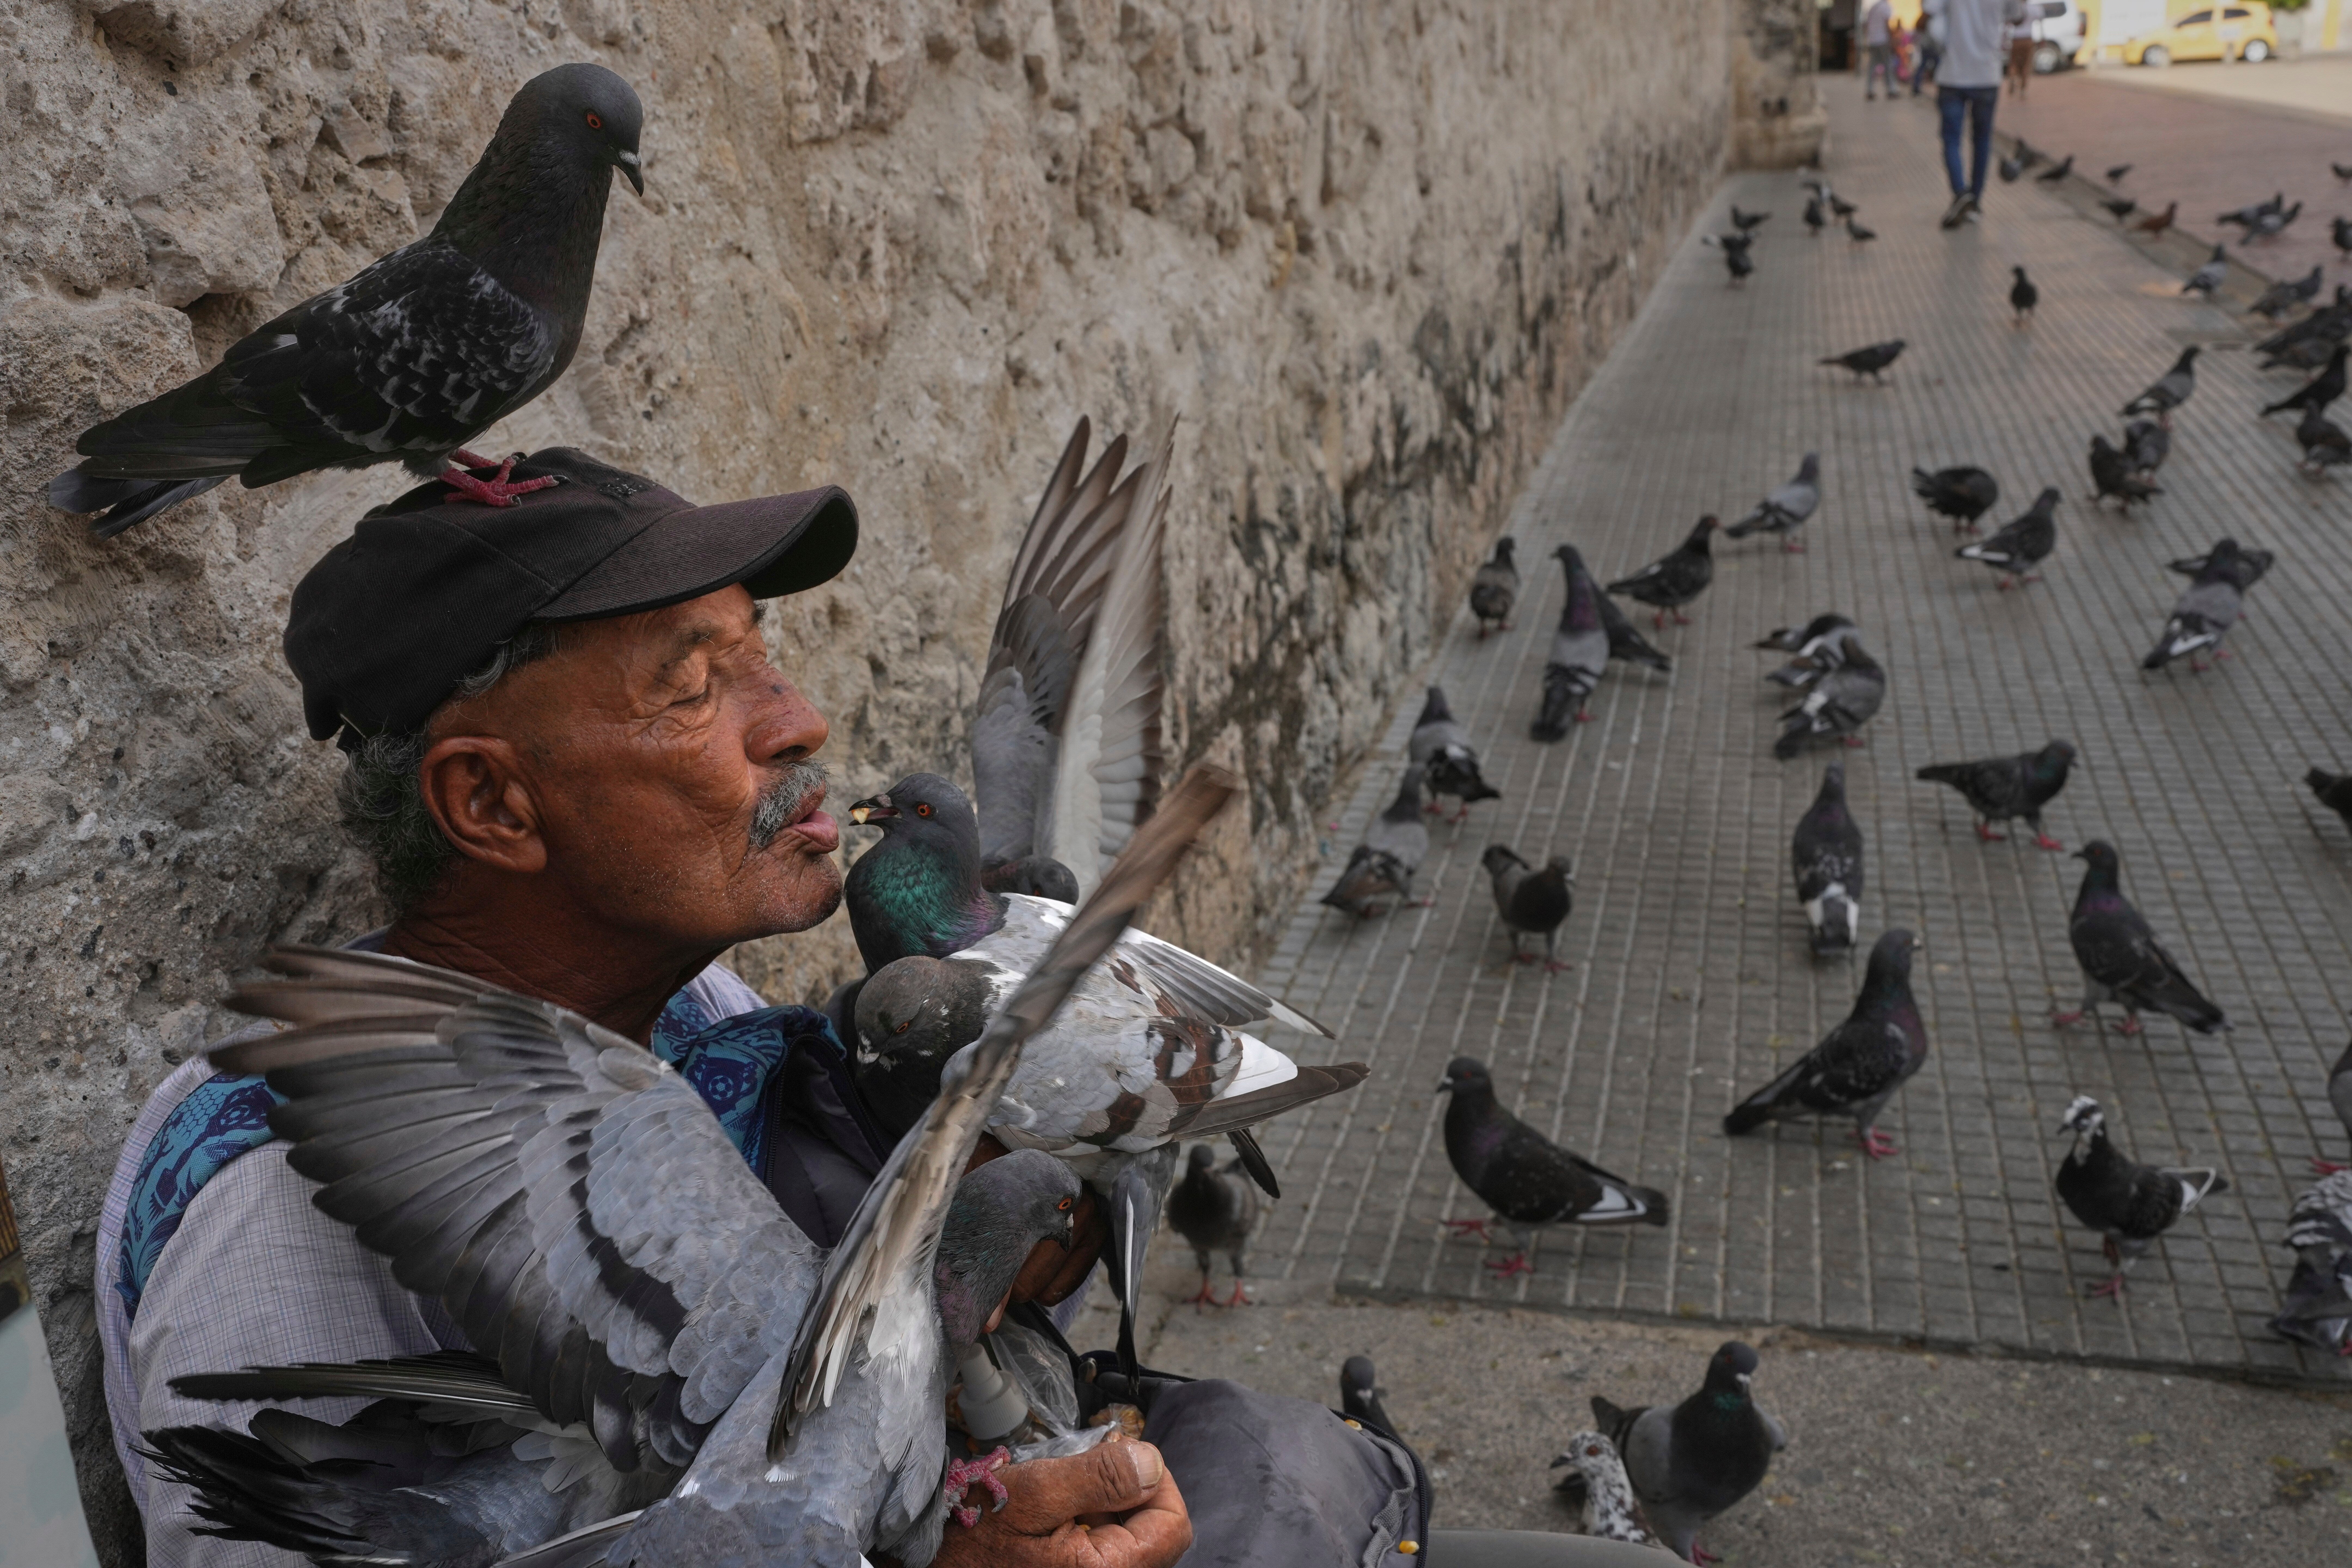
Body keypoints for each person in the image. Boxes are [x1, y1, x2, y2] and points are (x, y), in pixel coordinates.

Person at [1928, 0, 2024, 228]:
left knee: (1951, 139)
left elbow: (1928, 12)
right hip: (1986, 74)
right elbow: (2018, 15)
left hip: (1953, 73)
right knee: (1982, 140)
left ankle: (1961, 194)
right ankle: (1975, 202)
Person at [1862, 0, 1898, 99]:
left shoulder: (1873, 8)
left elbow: (1866, 25)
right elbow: (1887, 24)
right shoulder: (1886, 7)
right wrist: (1892, 38)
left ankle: (1870, 90)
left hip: (1873, 40)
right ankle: (1892, 90)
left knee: (1872, 66)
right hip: (1883, 40)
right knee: (1888, 64)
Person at [2005, 4, 2037, 96]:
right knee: (2027, 64)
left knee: (2013, 63)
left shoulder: (2015, 8)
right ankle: (2023, 89)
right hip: (2028, 38)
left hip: (2016, 39)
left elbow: (2007, 23)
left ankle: (2012, 78)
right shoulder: (2033, 8)